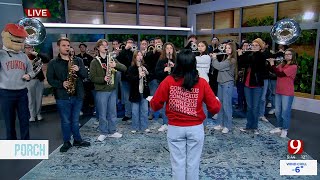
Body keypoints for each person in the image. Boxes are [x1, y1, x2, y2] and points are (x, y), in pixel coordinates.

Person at [150, 49, 221, 180]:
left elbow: (155, 105)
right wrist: (217, 101)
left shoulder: (169, 81)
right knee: (193, 164)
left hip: (175, 128)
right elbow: (215, 108)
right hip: (195, 128)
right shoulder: (201, 83)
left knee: (177, 164)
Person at [47, 37, 91, 152]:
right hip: (62, 96)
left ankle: (77, 140)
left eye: (68, 45)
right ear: (59, 47)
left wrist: (79, 70)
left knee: (75, 120)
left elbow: (85, 75)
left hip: (77, 95)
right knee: (66, 121)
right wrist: (62, 83)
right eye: (64, 45)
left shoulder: (77, 60)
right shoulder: (53, 63)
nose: (67, 47)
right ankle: (66, 142)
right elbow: (50, 79)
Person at [0, 23, 35, 140]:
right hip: (6, 93)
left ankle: (26, 144)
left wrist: (29, 76)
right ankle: (12, 146)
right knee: (9, 123)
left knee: (24, 121)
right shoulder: (1, 55)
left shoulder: (23, 56)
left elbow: (32, 71)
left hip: (22, 93)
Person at [90, 39, 127, 141]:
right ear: (98, 48)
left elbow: (124, 68)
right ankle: (103, 132)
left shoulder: (111, 59)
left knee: (112, 112)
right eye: (103, 46)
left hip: (112, 90)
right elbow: (92, 77)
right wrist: (103, 79)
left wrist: (116, 65)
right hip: (101, 91)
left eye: (106, 45)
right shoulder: (94, 62)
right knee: (102, 113)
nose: (105, 47)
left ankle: (113, 131)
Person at [238, 38, 266, 135]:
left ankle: (255, 127)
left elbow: (255, 64)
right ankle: (248, 126)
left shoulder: (261, 56)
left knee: (255, 107)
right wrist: (242, 55)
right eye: (252, 45)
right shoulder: (249, 55)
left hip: (257, 85)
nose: (253, 47)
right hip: (247, 84)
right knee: (249, 107)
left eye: (256, 45)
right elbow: (241, 63)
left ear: (260, 47)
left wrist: (244, 55)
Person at [268, 48, 298, 138]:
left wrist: (273, 65)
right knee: (277, 111)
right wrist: (271, 63)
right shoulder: (282, 64)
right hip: (279, 91)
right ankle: (278, 127)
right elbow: (274, 71)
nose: (287, 56)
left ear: (293, 56)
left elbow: (281, 74)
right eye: (286, 54)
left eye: (289, 54)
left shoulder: (293, 66)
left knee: (285, 112)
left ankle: (285, 129)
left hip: (287, 92)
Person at [211, 42, 237, 133]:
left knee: (227, 105)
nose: (227, 50)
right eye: (226, 48)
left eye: (229, 48)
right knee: (220, 105)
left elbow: (218, 66)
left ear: (233, 50)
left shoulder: (232, 60)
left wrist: (214, 58)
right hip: (221, 83)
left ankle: (228, 126)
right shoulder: (225, 58)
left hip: (227, 84)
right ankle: (220, 124)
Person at [24, 44, 49, 122]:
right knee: (31, 99)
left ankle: (38, 114)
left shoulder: (38, 56)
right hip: (29, 81)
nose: (29, 49)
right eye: (27, 47)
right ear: (24, 49)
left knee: (39, 98)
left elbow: (47, 59)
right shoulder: (22, 57)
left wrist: (37, 54)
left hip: (39, 80)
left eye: (30, 47)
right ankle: (32, 115)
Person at [155, 42, 176, 132]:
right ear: (164, 50)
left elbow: (181, 72)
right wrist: (164, 70)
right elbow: (157, 73)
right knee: (165, 105)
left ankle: (174, 123)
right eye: (167, 48)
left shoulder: (176, 60)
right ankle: (165, 123)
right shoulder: (161, 60)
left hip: (175, 86)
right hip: (164, 85)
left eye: (170, 48)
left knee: (175, 106)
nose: (169, 50)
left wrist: (174, 67)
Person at [127, 51, 150, 133]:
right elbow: (130, 79)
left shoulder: (145, 66)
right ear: (135, 57)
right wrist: (139, 76)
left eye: (141, 55)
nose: (140, 56)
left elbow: (149, 79)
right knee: (135, 111)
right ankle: (135, 127)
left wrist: (147, 73)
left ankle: (144, 126)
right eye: (138, 55)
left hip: (144, 92)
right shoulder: (131, 68)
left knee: (145, 110)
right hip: (135, 92)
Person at [144, 37, 163, 120]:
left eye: (159, 42)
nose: (157, 44)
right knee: (152, 96)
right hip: (153, 78)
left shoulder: (165, 53)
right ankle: (151, 113)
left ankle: (162, 113)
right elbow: (147, 60)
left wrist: (162, 52)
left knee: (163, 96)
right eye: (156, 43)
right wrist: (154, 52)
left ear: (162, 44)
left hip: (163, 78)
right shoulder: (150, 53)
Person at [117, 38, 135, 121]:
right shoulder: (123, 52)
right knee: (126, 97)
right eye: (129, 42)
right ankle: (128, 114)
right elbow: (119, 60)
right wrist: (125, 49)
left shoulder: (135, 52)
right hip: (125, 77)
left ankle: (134, 113)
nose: (130, 44)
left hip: (134, 78)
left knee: (134, 96)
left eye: (131, 43)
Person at [195, 41, 211, 130]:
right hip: (196, 82)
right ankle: (198, 123)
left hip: (204, 82)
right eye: (199, 46)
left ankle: (204, 125)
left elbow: (194, 60)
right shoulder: (199, 56)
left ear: (206, 47)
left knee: (203, 105)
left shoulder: (207, 57)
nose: (200, 47)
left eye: (202, 46)